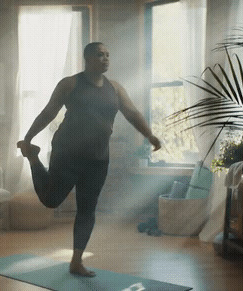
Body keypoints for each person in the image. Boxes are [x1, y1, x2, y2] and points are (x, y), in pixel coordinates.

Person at [17, 42, 161, 277]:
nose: (105, 58)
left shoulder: (115, 88)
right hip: (67, 154)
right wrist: (28, 138)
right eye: (99, 55)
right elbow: (48, 112)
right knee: (52, 200)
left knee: (87, 210)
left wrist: (150, 135)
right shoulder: (70, 84)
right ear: (87, 58)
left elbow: (132, 113)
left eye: (107, 55)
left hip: (97, 159)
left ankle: (76, 260)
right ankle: (33, 159)